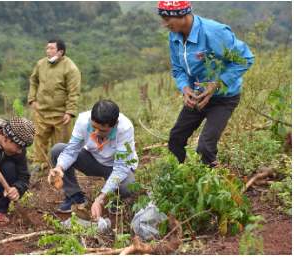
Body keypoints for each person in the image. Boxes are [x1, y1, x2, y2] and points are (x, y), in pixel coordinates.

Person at [157, 1, 254, 167]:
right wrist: (185, 88)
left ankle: (209, 186)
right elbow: (179, 69)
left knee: (205, 146)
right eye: (163, 19)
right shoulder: (174, 34)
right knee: (176, 137)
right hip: (197, 95)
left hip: (223, 98)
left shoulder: (213, 32)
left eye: (168, 19)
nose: (165, 25)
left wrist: (216, 83)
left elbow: (245, 58)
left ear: (183, 15)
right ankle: (174, 179)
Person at [49, 100, 138, 222]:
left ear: (115, 124)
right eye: (94, 127)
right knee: (58, 150)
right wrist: (59, 167)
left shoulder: (125, 128)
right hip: (92, 160)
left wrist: (100, 199)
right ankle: (75, 197)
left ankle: (116, 199)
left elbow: (121, 168)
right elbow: (71, 150)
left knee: (127, 187)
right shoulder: (83, 119)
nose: (97, 133)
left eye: (103, 130)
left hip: (114, 166)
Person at [28, 38, 81, 175]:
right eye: (47, 48)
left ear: (60, 52)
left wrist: (69, 112)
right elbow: (33, 81)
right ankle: (39, 164)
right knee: (39, 138)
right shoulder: (40, 64)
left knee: (61, 144)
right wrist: (32, 98)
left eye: (51, 48)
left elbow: (73, 92)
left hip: (60, 113)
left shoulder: (70, 68)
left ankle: (61, 167)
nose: (48, 51)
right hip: (41, 111)